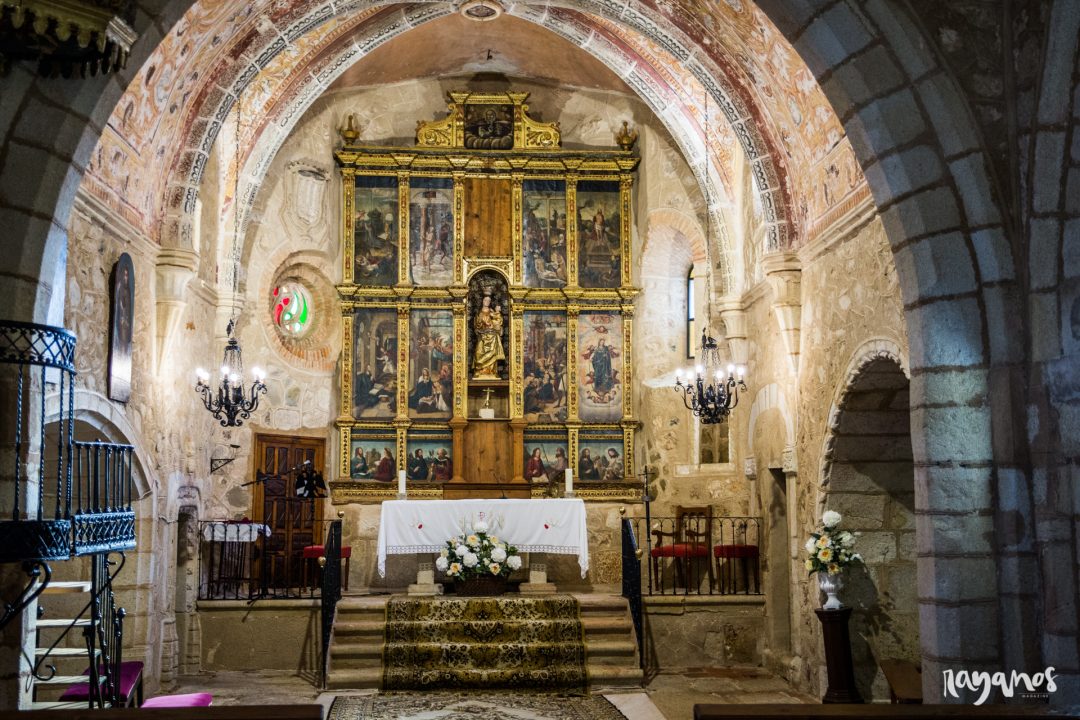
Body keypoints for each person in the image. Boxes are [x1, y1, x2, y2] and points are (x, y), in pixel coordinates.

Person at [472, 294, 505, 378]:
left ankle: (491, 371)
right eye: (485, 300)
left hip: (492, 336)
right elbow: (476, 325)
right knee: (479, 352)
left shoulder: (492, 312)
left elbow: (498, 321)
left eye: (488, 301)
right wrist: (480, 324)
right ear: (482, 301)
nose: (487, 302)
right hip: (482, 335)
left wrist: (496, 316)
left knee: (492, 353)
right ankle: (479, 370)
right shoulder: (479, 313)